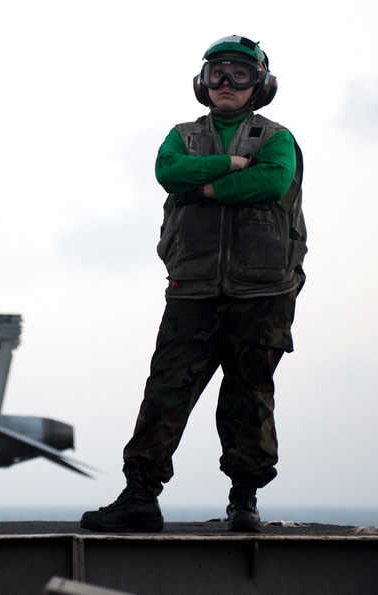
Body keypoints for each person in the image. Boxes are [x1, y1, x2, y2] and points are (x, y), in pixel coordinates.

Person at [81, 35, 306, 534]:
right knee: (165, 390)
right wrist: (229, 166)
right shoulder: (181, 136)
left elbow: (270, 183)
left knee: (249, 394)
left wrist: (202, 188)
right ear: (202, 82)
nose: (226, 82)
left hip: (263, 293)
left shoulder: (276, 139)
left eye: (240, 74)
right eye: (217, 72)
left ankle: (244, 501)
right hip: (193, 288)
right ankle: (140, 495)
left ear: (260, 84)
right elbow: (168, 170)